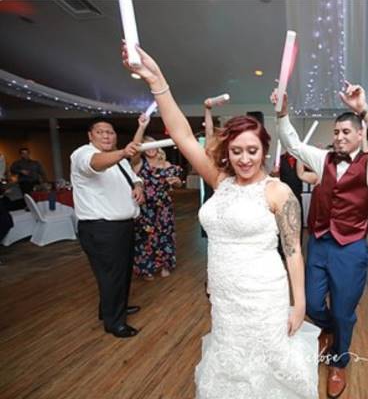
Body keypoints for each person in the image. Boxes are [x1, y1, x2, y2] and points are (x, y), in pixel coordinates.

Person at [123, 44, 317, 398]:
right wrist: (157, 79)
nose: (244, 158)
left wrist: (299, 303)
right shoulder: (219, 181)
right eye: (237, 151)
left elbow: (292, 252)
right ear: (227, 152)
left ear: (264, 151)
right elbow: (181, 134)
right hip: (223, 294)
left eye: (252, 150)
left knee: (267, 362)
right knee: (231, 362)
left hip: (263, 294)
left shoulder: (277, 192)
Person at [272, 81, 368, 398]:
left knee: (344, 312)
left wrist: (364, 110)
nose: (340, 137)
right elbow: (293, 145)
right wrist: (283, 114)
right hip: (318, 243)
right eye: (337, 132)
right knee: (313, 304)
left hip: (351, 249)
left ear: (359, 135)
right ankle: (329, 329)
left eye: (346, 132)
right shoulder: (323, 159)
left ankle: (339, 361)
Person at [70, 118, 144, 338]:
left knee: (121, 272)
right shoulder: (83, 154)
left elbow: (134, 177)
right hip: (101, 228)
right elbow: (95, 163)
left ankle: (112, 307)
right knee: (111, 275)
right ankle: (115, 323)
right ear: (90, 136)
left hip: (123, 226)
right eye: (101, 132)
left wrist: (138, 186)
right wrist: (122, 152)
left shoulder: (119, 160)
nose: (106, 136)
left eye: (110, 132)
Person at [131, 114, 183, 280]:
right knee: (145, 237)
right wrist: (142, 127)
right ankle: (146, 268)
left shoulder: (166, 165)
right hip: (145, 207)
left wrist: (176, 182)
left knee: (165, 236)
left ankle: (165, 265)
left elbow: (177, 184)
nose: (151, 148)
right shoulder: (139, 164)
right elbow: (134, 147)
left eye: (153, 144)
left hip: (164, 207)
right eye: (146, 146)